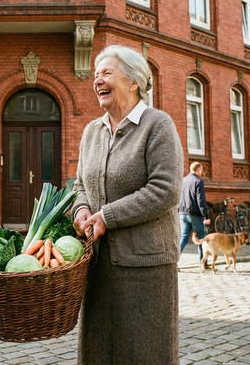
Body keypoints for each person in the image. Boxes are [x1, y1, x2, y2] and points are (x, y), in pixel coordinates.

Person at [72, 45, 183, 365]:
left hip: (146, 265)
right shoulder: (92, 131)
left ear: (134, 81)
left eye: (106, 73)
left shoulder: (157, 124)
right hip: (98, 263)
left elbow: (166, 190)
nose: (97, 81)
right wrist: (81, 211)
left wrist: (107, 216)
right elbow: (81, 184)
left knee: (144, 352)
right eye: (95, 75)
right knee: (99, 352)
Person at [178, 161, 211, 268]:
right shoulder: (198, 181)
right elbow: (200, 200)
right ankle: (203, 264)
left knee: (183, 239)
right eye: (201, 170)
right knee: (201, 239)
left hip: (183, 213)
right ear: (198, 169)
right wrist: (206, 216)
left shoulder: (183, 180)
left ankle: (173, 263)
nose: (201, 172)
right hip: (195, 214)